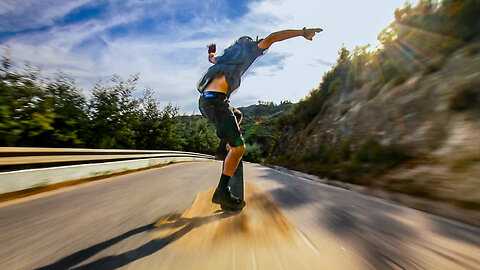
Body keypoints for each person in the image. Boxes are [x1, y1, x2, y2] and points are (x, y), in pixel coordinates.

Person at [198, 27, 323, 211]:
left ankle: (222, 149)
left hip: (205, 103)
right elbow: (273, 37)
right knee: (240, 147)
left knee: (237, 115)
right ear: (248, 44)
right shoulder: (249, 51)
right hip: (217, 104)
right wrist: (302, 32)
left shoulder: (224, 59)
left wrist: (212, 51)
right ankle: (222, 191)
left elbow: (211, 59)